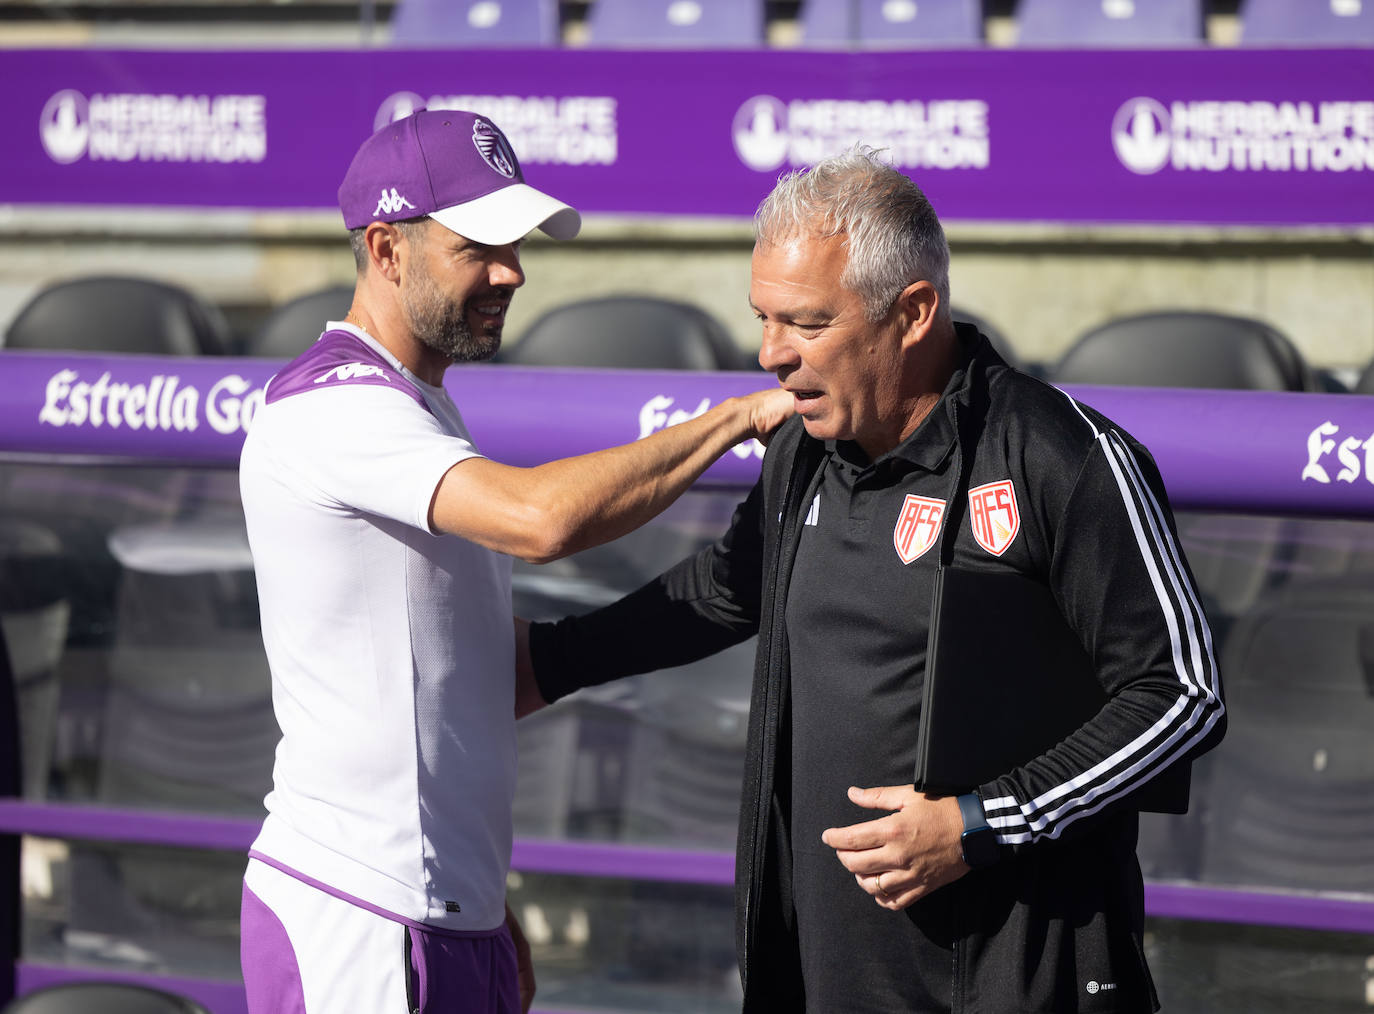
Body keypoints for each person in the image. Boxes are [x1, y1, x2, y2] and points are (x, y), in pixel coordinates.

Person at [527, 147, 1227, 1012]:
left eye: (808, 324)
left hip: (1015, 974)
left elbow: (1181, 696)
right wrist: (545, 664)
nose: (770, 355)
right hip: (823, 971)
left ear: (913, 312)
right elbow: (725, 591)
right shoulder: (802, 452)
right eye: (763, 319)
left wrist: (980, 824)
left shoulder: (1062, 457)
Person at [236, 109, 791, 1014]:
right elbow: (542, 521)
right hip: (361, 921)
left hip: (436, 908)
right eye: (480, 246)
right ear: (385, 248)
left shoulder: (413, 404)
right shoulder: (335, 408)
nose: (514, 271)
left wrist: (489, 896)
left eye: (518, 243)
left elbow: (486, 671)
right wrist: (737, 418)